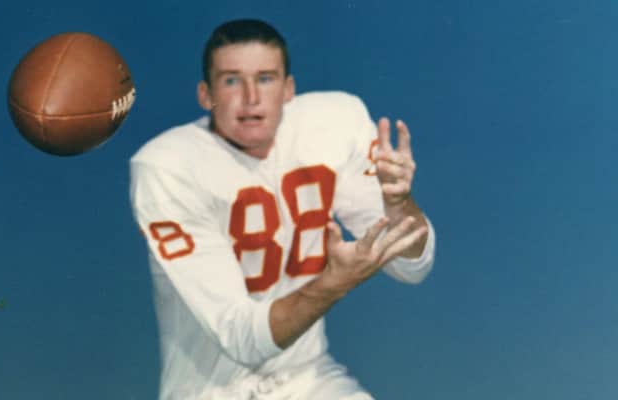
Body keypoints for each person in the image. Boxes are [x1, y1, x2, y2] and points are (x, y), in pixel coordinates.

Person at [129, 18, 436, 400]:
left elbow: (412, 266)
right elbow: (240, 337)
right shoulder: (169, 168)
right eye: (231, 80)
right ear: (205, 95)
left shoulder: (334, 124)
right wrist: (333, 283)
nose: (251, 98)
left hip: (307, 379)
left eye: (265, 78)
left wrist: (399, 205)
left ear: (289, 89)